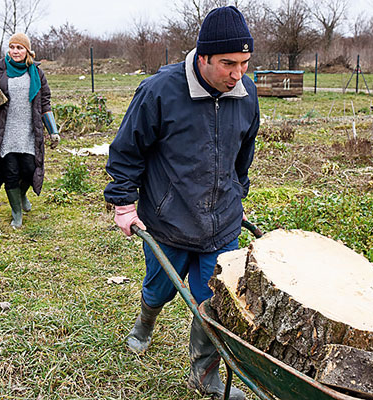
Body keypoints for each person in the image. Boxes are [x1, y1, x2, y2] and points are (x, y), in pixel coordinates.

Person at [104, 6, 259, 400]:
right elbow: (126, 152)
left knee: (213, 304)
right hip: (168, 220)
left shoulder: (246, 94)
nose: (237, 74)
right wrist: (124, 203)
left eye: (244, 63)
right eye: (227, 63)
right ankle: (145, 321)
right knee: (160, 289)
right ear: (203, 56)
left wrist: (237, 194)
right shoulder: (159, 91)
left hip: (222, 223)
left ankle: (203, 375)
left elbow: (244, 152)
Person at [0, 33, 60, 228]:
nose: (15, 51)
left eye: (20, 48)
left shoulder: (36, 73)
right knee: (10, 172)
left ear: (27, 51)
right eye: (12, 47)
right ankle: (17, 212)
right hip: (4, 133)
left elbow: (45, 103)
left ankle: (22, 194)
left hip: (28, 132)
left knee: (29, 169)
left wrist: (53, 130)